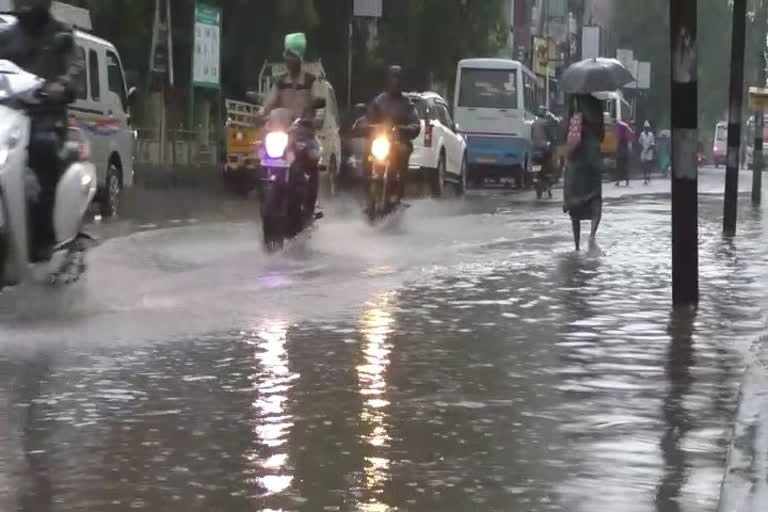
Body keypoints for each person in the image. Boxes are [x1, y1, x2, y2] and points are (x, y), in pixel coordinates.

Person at [0, 0, 81, 262]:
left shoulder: (61, 34)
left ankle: (44, 238)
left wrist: (63, 86)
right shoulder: (7, 34)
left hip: (46, 118)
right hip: (9, 116)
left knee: (43, 148)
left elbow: (74, 71)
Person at [261, 32, 326, 220]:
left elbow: (319, 102)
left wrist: (314, 118)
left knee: (313, 159)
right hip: (283, 134)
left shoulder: (311, 81)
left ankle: (311, 205)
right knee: (262, 156)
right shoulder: (280, 82)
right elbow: (269, 103)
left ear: (300, 58)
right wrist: (260, 114)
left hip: (304, 136)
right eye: (286, 55)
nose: (289, 59)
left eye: (293, 56)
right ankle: (266, 194)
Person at [366, 65, 421, 201]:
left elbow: (416, 123)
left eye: (398, 78)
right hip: (381, 140)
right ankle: (367, 190)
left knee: (402, 152)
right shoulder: (379, 101)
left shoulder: (407, 104)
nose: (395, 81)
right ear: (388, 80)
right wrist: (367, 126)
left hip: (399, 141)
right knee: (367, 152)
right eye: (392, 77)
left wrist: (406, 129)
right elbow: (368, 118)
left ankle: (399, 193)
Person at [563, 94, 604, 252]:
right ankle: (592, 236)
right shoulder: (596, 104)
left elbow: (565, 131)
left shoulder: (572, 102)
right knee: (596, 203)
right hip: (590, 162)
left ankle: (577, 247)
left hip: (574, 163)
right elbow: (601, 134)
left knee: (575, 210)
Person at [615, 119, 632, 187]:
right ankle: (627, 181)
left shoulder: (620, 139)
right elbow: (628, 148)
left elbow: (618, 148)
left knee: (619, 168)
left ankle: (618, 181)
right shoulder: (626, 139)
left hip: (620, 156)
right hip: (625, 155)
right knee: (625, 168)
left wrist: (617, 153)